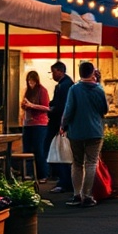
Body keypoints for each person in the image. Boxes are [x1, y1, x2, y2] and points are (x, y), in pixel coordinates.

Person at [62, 62, 108, 207]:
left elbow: (68, 110)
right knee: (91, 163)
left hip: (76, 131)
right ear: (93, 72)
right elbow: (105, 109)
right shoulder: (99, 89)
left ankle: (76, 195)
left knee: (77, 163)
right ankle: (87, 196)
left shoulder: (74, 89)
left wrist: (63, 124)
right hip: (95, 131)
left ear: (80, 72)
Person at [46, 61, 74, 194]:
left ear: (60, 71)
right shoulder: (68, 84)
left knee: (60, 152)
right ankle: (65, 180)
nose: (52, 75)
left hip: (59, 123)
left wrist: (51, 110)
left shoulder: (64, 86)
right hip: (62, 123)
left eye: (53, 72)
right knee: (63, 152)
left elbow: (61, 106)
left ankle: (64, 181)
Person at [20, 70, 51, 184]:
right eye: (29, 81)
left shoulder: (42, 91)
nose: (31, 84)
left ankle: (42, 174)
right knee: (27, 149)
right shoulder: (27, 91)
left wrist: (31, 105)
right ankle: (30, 174)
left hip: (39, 124)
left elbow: (47, 108)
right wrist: (24, 106)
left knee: (39, 149)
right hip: (27, 123)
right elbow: (24, 106)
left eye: (32, 81)